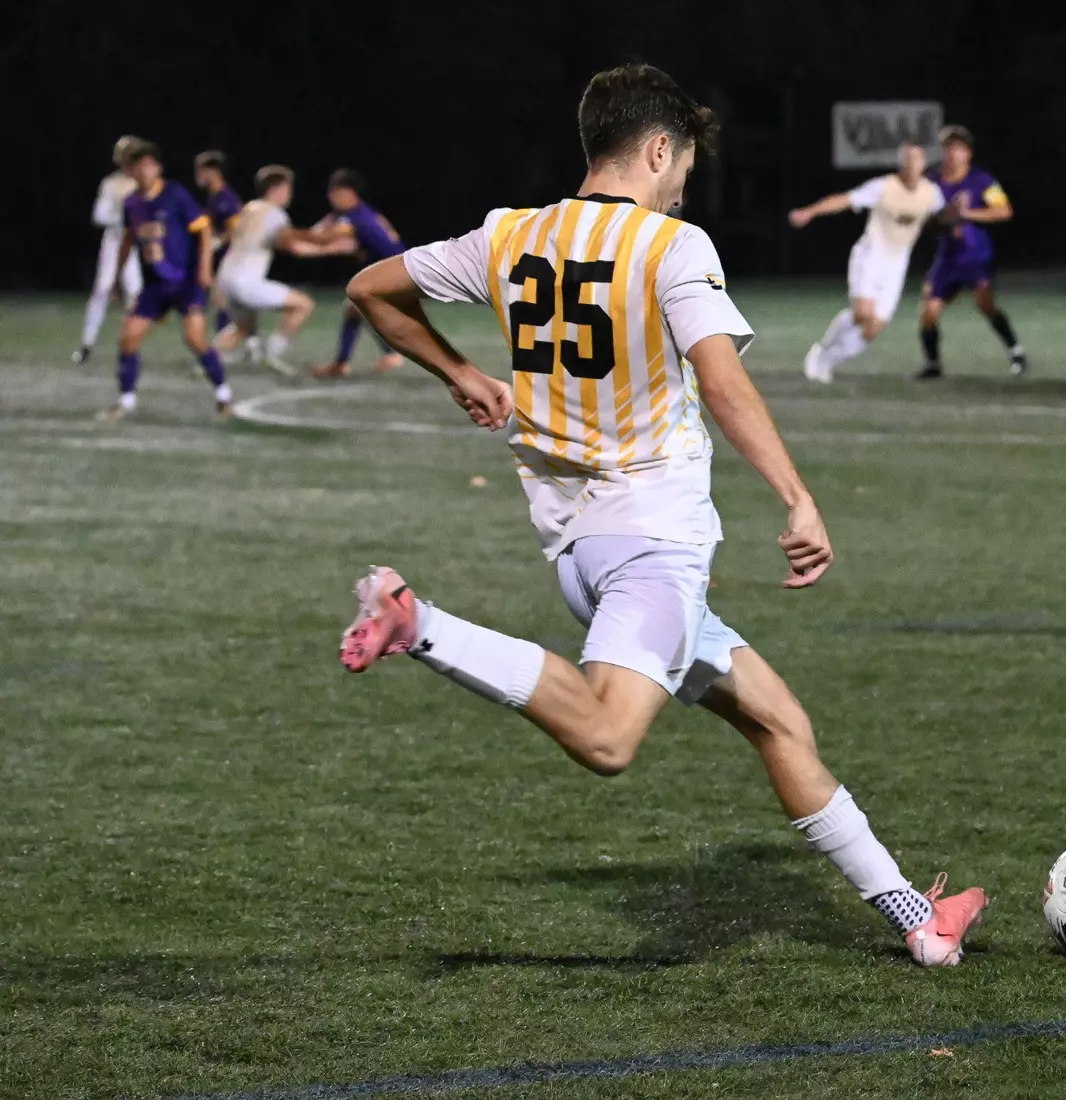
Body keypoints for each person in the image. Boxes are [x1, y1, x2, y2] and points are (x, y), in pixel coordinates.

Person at [337, 63, 989, 967]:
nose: (684, 185)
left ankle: (920, 922)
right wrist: (797, 497)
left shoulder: (508, 235)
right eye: (682, 163)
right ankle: (420, 624)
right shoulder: (670, 246)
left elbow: (370, 288)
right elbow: (720, 379)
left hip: (582, 553)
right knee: (609, 738)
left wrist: (460, 372)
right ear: (655, 150)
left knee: (780, 723)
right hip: (651, 547)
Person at [789, 142, 944, 382]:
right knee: (862, 313)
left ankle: (827, 360)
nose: (912, 164)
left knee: (874, 327)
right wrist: (811, 212)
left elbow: (945, 216)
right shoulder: (883, 187)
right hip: (871, 254)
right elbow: (845, 199)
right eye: (908, 159)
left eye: (917, 159)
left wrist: (958, 214)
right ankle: (821, 351)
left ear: (924, 164)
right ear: (901, 163)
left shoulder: (932, 193)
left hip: (897, 263)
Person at [101, 142, 233, 421]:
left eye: (150, 166)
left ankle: (224, 395)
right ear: (131, 171)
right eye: (139, 167)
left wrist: (205, 269)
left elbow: (204, 229)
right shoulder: (132, 203)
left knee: (195, 340)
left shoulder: (174, 194)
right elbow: (127, 240)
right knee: (128, 339)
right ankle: (125, 402)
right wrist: (116, 277)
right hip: (155, 286)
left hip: (185, 282)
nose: (145, 171)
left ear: (158, 168)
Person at [213, 166, 356, 375]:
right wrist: (332, 244)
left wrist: (323, 243)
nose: (290, 194)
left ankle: (207, 359)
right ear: (275, 189)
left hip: (226, 280)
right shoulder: (274, 213)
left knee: (241, 327)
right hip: (246, 282)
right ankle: (271, 355)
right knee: (303, 305)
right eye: (288, 189)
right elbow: (292, 245)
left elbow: (282, 242)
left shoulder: (250, 207)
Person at [915, 125, 1025, 378]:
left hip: (976, 256)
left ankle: (1016, 352)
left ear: (968, 153)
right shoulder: (931, 181)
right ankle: (933, 365)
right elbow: (922, 216)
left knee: (985, 305)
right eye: (948, 148)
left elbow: (1004, 211)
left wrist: (965, 214)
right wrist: (941, 218)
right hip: (946, 258)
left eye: (958, 148)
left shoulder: (981, 180)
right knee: (929, 311)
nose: (952, 153)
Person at [311, 169, 407, 377]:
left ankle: (389, 354)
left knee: (358, 307)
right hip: (393, 266)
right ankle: (348, 362)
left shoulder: (355, 219)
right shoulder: (361, 214)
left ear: (349, 193)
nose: (330, 197)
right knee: (354, 309)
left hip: (395, 269)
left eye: (335, 192)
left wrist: (304, 243)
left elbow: (325, 238)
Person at [71, 136, 144, 364]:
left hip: (135, 245)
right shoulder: (111, 183)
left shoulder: (144, 184)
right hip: (114, 242)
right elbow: (99, 215)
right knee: (102, 289)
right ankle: (87, 344)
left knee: (136, 293)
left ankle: (130, 345)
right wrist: (123, 219)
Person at [194, 150, 244, 342]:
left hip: (233, 257)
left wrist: (216, 241)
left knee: (223, 301)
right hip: (224, 258)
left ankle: (224, 344)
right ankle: (245, 342)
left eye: (200, 170)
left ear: (213, 171)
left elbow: (238, 231)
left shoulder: (226, 198)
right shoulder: (214, 196)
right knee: (225, 302)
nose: (198, 175)